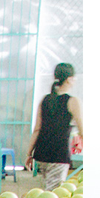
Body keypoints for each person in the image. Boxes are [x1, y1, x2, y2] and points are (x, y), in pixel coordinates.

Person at [25, 63, 84, 191]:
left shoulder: (45, 100)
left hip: (41, 153)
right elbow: (82, 130)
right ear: (69, 79)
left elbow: (37, 129)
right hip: (59, 155)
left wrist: (29, 154)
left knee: (47, 190)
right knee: (53, 194)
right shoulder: (73, 101)